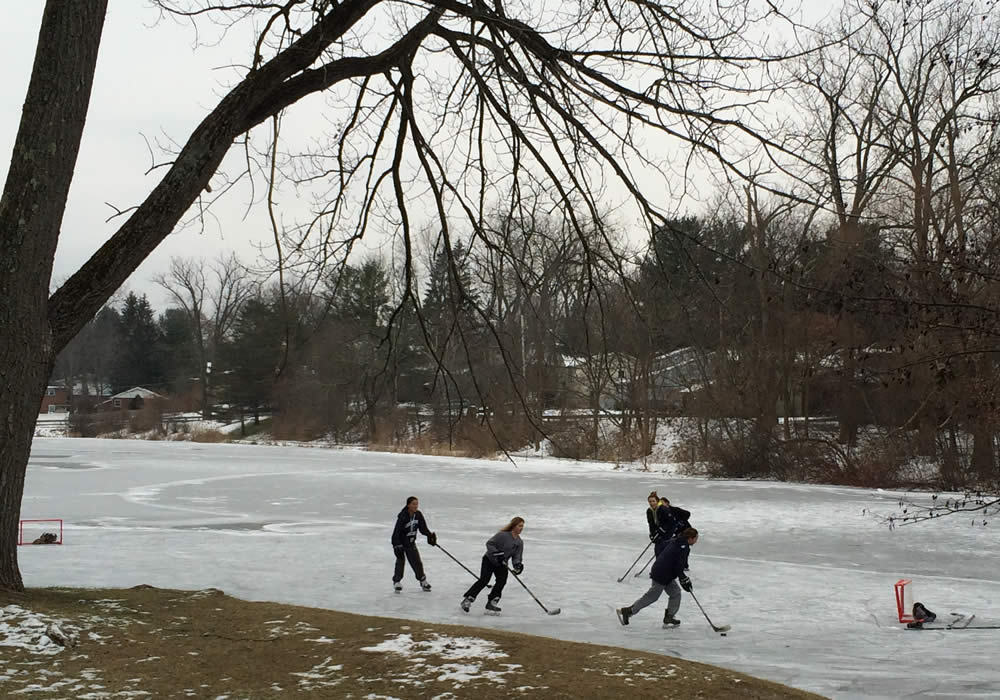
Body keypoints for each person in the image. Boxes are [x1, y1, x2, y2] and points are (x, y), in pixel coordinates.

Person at [617, 527, 698, 628]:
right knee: (652, 596)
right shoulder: (683, 548)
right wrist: (683, 578)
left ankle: (669, 616)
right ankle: (628, 611)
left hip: (665, 573)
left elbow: (661, 547)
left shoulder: (675, 540)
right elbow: (679, 566)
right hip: (661, 574)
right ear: (690, 538)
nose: (696, 540)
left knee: (676, 593)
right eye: (695, 538)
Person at [460, 517, 525, 614]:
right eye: (519, 526)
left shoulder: (519, 542)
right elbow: (490, 543)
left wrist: (517, 565)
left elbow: (517, 556)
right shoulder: (503, 535)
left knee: (502, 581)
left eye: (522, 526)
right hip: (489, 560)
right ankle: (468, 599)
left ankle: (492, 601)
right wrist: (496, 553)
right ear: (514, 526)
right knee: (484, 579)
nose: (521, 528)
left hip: (502, 563)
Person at [391, 496, 437, 593]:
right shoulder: (403, 516)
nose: (416, 506)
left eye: (417, 504)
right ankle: (397, 582)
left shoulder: (418, 515)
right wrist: (396, 545)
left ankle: (423, 580)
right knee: (400, 562)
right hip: (401, 544)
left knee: (417, 562)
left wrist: (429, 535)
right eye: (413, 504)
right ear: (408, 505)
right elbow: (396, 532)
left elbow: (423, 528)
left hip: (411, 543)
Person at [647, 492, 691, 557]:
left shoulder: (665, 509)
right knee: (659, 550)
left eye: (653, 501)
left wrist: (679, 522)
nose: (651, 503)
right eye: (650, 501)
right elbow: (651, 524)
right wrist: (652, 534)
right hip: (662, 534)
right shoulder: (649, 511)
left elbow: (671, 523)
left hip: (674, 533)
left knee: (677, 552)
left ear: (657, 501)